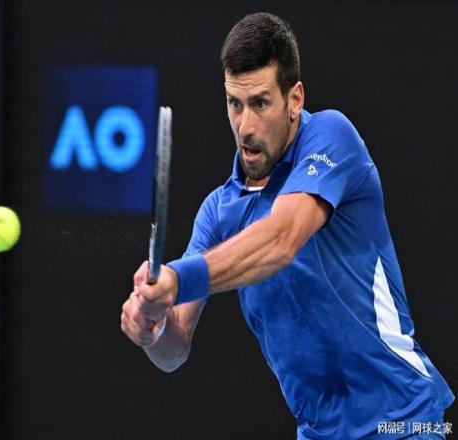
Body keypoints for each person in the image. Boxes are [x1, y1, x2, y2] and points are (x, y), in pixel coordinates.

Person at [121, 12, 454, 439]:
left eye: (260, 103)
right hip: (316, 432)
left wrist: (177, 280)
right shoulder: (217, 213)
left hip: (403, 420)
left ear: (294, 99)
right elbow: (175, 347)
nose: (245, 126)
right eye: (234, 104)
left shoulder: (332, 136)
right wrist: (154, 328)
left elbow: (281, 240)